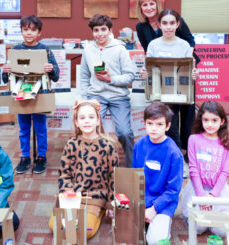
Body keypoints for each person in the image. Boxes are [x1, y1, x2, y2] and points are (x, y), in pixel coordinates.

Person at [140, 9, 199, 177]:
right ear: (159, 25)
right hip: (158, 95)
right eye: (164, 23)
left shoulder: (184, 45)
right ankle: (175, 162)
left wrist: (194, 74)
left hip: (178, 95)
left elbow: (189, 71)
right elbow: (148, 68)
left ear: (177, 24)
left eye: (172, 23)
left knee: (172, 127)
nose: (168, 27)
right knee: (168, 127)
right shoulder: (153, 45)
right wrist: (144, 73)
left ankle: (177, 162)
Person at [48, 99, 119, 239]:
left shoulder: (108, 145)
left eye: (91, 117)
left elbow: (113, 177)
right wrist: (67, 192)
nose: (87, 121)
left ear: (98, 120)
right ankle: (83, 215)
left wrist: (111, 203)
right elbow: (64, 173)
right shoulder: (71, 144)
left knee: (83, 231)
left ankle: (100, 211)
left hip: (95, 197)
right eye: (82, 118)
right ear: (76, 122)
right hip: (73, 197)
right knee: (56, 226)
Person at [2, 15, 59, 174]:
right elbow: (6, 77)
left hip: (40, 95)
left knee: (40, 128)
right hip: (20, 95)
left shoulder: (45, 50)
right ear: (21, 31)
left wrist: (51, 69)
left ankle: (41, 156)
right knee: (24, 128)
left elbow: (56, 75)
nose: (29, 33)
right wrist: (5, 70)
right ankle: (25, 156)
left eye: (33, 30)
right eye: (26, 29)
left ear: (39, 33)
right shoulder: (15, 50)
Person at [80, 14, 135, 168]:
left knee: (124, 132)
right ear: (92, 32)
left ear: (110, 30)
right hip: (96, 95)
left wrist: (111, 79)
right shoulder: (88, 49)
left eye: (103, 29)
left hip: (119, 97)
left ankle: (131, 167)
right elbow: (84, 75)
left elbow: (130, 76)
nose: (100, 33)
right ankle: (92, 165)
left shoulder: (120, 49)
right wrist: (85, 97)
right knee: (90, 129)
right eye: (96, 30)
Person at [132, 102, 183, 244]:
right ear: (144, 124)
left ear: (167, 126)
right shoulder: (139, 145)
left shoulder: (174, 153)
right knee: (124, 232)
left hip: (163, 204)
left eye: (159, 124)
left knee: (155, 241)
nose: (154, 128)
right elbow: (134, 177)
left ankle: (162, 224)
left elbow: (173, 190)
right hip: (142, 200)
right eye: (150, 123)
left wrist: (154, 209)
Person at [181, 101, 229, 237]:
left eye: (214, 120)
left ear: (222, 121)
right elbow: (193, 169)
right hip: (198, 189)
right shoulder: (193, 139)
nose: (210, 124)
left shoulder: (226, 140)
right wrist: (202, 196)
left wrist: (212, 196)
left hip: (218, 191)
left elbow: (225, 172)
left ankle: (213, 216)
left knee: (221, 231)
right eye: (206, 120)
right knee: (198, 228)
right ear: (200, 120)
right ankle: (197, 217)